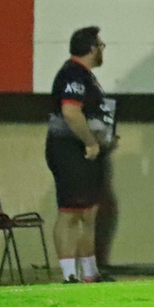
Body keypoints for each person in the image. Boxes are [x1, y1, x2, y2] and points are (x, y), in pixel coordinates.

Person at [46, 27, 115, 283]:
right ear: (91, 48)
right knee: (69, 212)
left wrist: (102, 136)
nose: (103, 49)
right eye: (101, 45)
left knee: (88, 212)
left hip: (83, 150)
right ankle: (69, 276)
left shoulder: (86, 76)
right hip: (68, 149)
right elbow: (71, 111)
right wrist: (90, 141)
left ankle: (89, 273)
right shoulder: (72, 73)